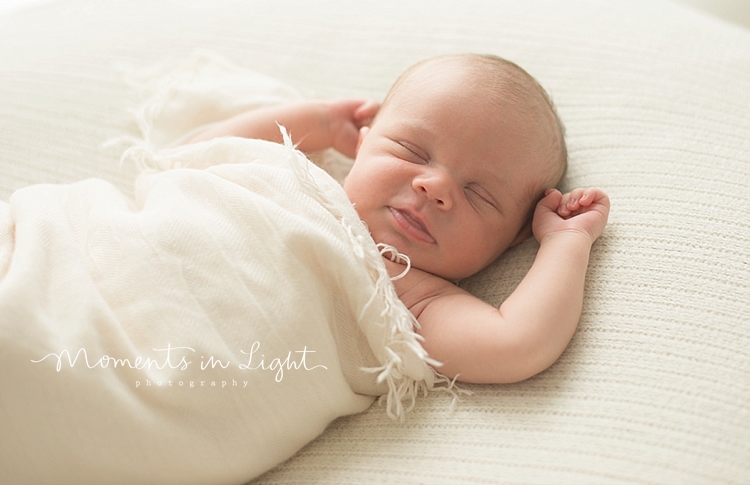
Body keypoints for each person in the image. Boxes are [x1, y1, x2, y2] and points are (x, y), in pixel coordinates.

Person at [190, 54, 610, 385]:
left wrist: (565, 241)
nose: (436, 186)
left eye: (478, 195)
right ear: (365, 140)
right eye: (411, 151)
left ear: (514, 238)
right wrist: (320, 122)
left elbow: (517, 343)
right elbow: (195, 157)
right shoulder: (300, 181)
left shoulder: (413, 299)